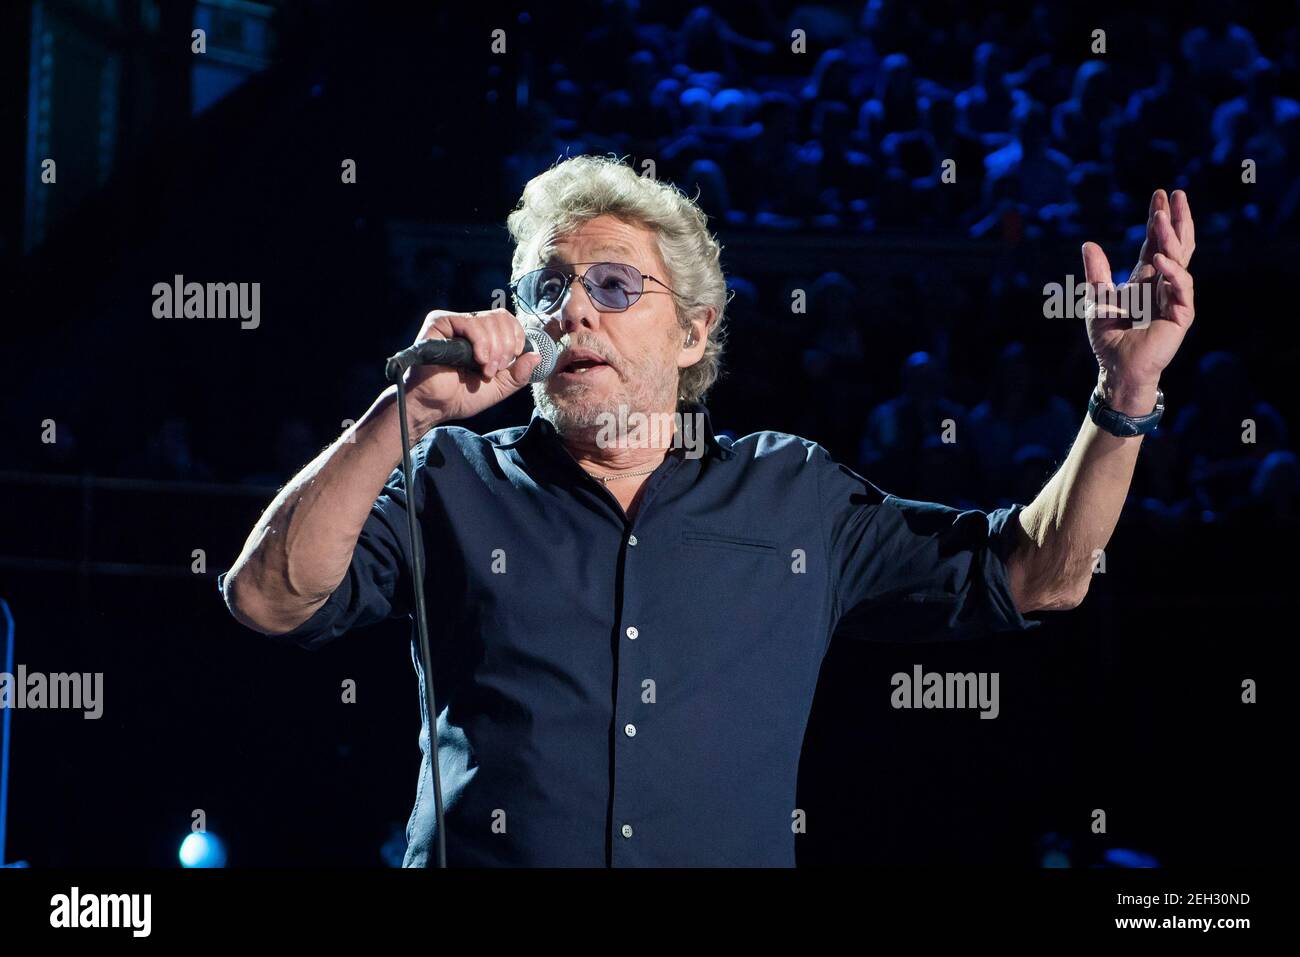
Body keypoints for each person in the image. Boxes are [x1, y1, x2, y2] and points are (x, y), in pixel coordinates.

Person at [218, 156, 1197, 867]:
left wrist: (1123, 397)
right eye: (546, 289)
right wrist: (405, 417)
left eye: (611, 286)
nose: (573, 312)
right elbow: (267, 598)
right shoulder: (451, 479)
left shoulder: (793, 496)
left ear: (693, 330)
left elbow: (1046, 574)